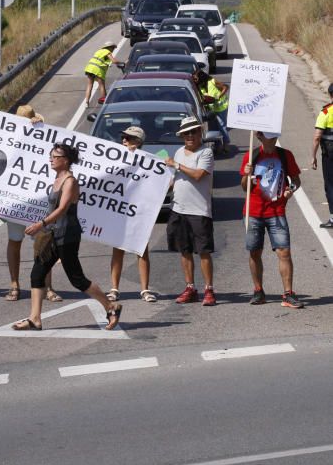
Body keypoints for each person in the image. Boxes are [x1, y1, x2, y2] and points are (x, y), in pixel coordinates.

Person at [12, 143, 123, 331]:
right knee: (37, 273)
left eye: (55, 156)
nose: (51, 159)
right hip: (52, 234)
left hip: (67, 235)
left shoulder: (70, 181)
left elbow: (63, 209)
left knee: (77, 279)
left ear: (66, 160)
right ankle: (35, 319)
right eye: (51, 155)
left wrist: (41, 224)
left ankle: (110, 306)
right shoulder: (57, 178)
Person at [4, 104, 62, 302]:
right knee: (14, 241)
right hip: (14, 199)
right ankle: (14, 285)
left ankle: (48, 287)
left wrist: (36, 128)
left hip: (37, 200)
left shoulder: (43, 138)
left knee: (42, 244)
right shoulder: (7, 137)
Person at [240, 131, 303, 308]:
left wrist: (290, 189)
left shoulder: (285, 155)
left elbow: (296, 180)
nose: (273, 137)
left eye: (274, 134)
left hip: (277, 211)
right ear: (259, 136)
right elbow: (244, 187)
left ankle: (288, 294)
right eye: (268, 135)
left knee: (284, 252)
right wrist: (246, 175)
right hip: (254, 212)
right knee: (254, 252)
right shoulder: (251, 156)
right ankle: (258, 290)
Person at [165, 116, 216, 306]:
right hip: (178, 208)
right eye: (186, 133)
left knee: (203, 251)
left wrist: (176, 165)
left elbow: (198, 175)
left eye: (194, 131)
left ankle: (209, 289)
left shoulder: (206, 153)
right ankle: (190, 287)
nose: (190, 136)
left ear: (200, 132)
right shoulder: (179, 152)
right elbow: (175, 179)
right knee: (184, 251)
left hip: (199, 210)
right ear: (182, 136)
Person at [106, 126, 156, 304]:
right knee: (117, 249)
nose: (125, 140)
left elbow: (164, 181)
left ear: (139, 142)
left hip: (140, 211)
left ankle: (145, 289)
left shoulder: (150, 160)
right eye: (124, 137)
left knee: (141, 250)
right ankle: (114, 289)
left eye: (129, 138)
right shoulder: (116, 157)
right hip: (120, 209)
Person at [311, 82, 333, 228]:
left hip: (330, 156)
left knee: (331, 185)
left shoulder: (326, 112)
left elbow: (317, 137)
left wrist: (313, 156)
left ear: (330, 94)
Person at [193, 69, 230, 153]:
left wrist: (219, 96)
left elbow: (225, 87)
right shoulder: (200, 86)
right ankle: (217, 146)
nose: (195, 80)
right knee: (213, 127)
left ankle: (226, 143)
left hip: (221, 108)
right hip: (211, 109)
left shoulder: (212, 81)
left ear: (201, 77)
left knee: (222, 126)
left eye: (196, 78)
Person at [84, 40, 121, 107]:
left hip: (89, 68)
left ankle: (86, 102)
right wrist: (121, 62)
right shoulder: (107, 51)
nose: (113, 50)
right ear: (109, 47)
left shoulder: (98, 51)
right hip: (97, 70)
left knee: (90, 85)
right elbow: (114, 61)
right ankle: (104, 101)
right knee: (101, 85)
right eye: (113, 48)